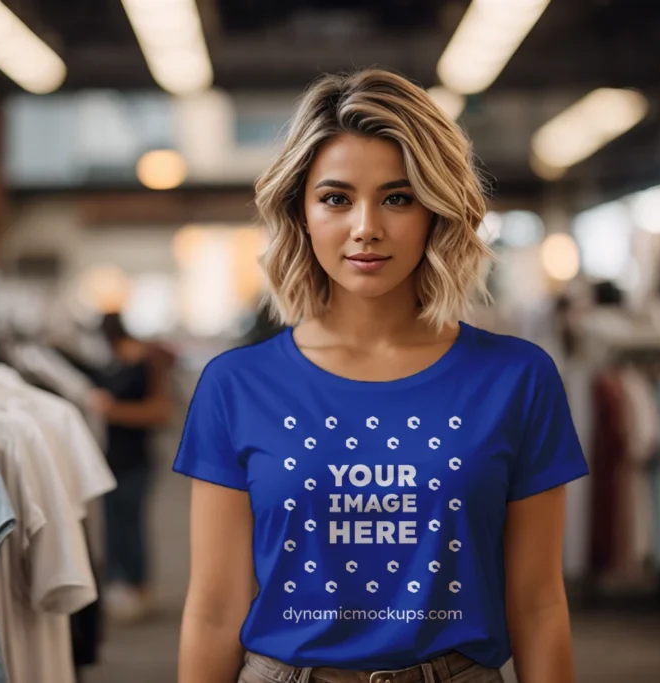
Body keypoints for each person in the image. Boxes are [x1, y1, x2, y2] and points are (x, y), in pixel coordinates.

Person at [172, 69, 589, 683]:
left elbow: (538, 603)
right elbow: (213, 610)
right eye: (336, 198)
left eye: (398, 197)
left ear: (435, 210)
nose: (366, 226)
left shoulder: (517, 379)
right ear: (302, 212)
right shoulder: (235, 385)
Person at [88, 312, 174, 623]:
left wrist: (113, 411)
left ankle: (138, 589)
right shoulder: (114, 364)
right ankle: (121, 585)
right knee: (113, 524)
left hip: (137, 457)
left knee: (131, 524)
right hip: (110, 457)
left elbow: (161, 412)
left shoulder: (147, 363)